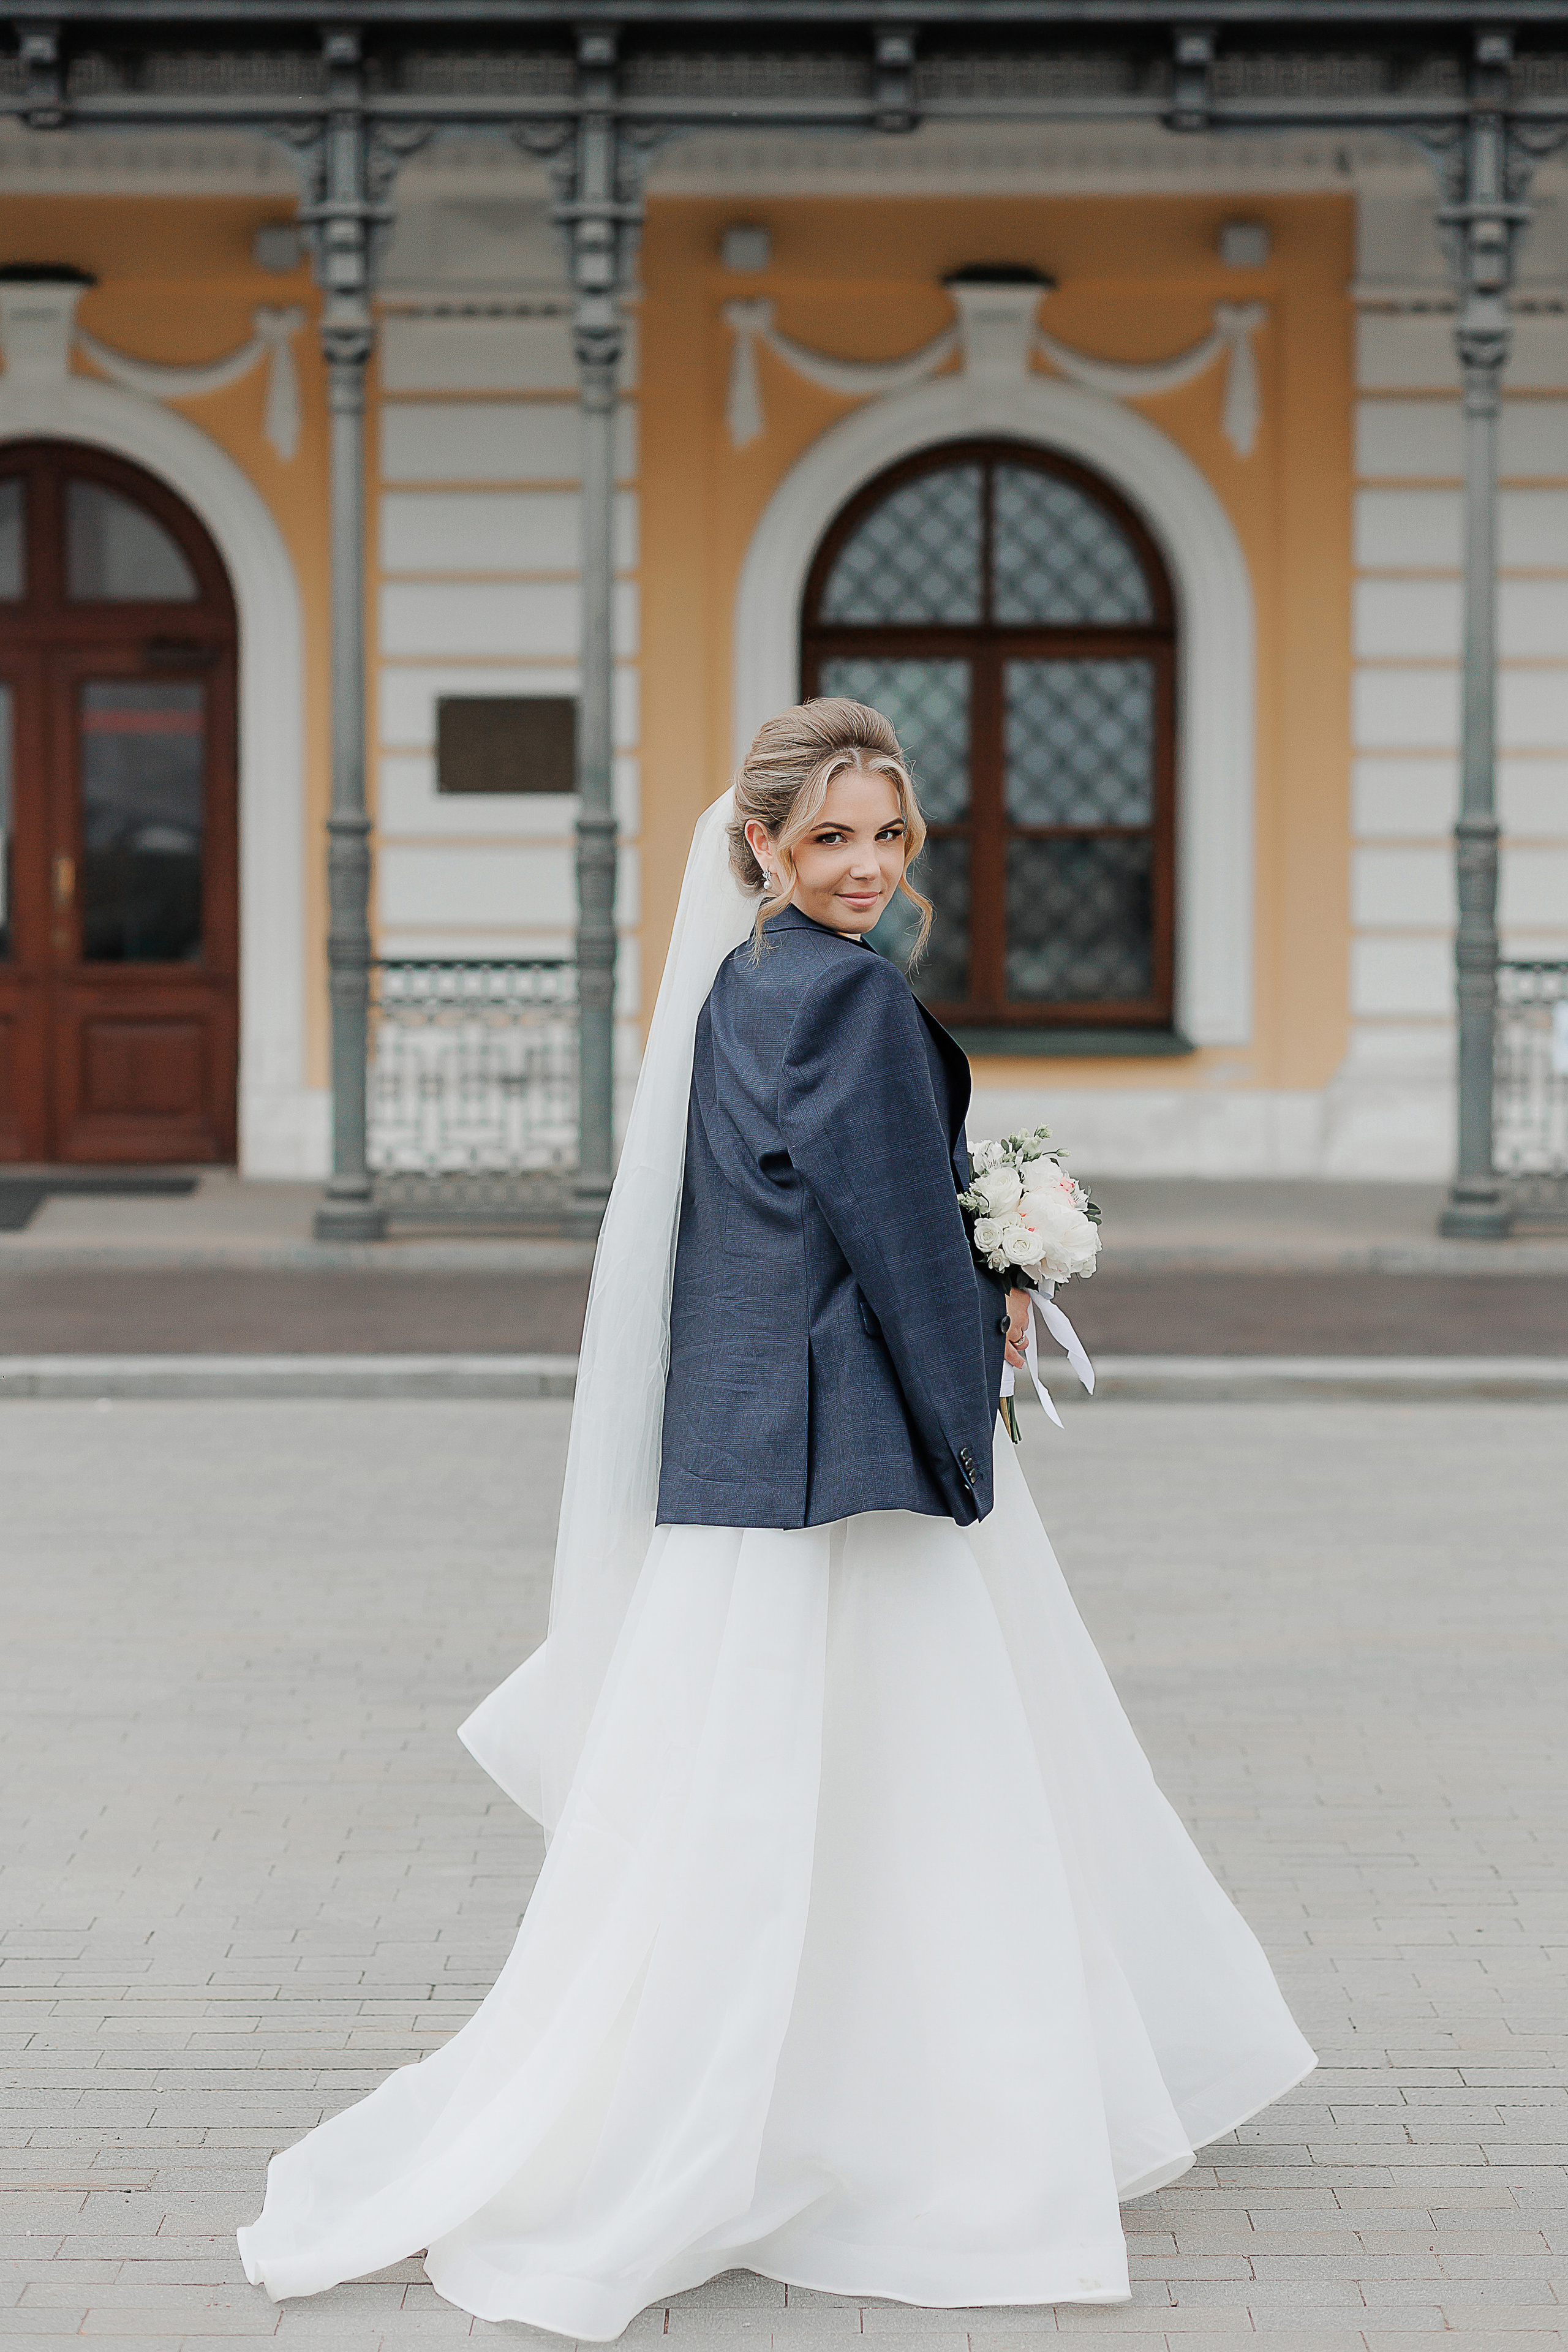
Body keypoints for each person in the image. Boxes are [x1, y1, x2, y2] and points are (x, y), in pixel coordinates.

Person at [238, 700, 1314, 2341]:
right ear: (760, 846)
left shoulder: (743, 988)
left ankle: (753, 2094)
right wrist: (978, 1375)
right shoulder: (858, 1004)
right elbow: (892, 1233)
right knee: (924, 1790)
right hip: (852, 1459)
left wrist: (994, 1260)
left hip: (744, 1454)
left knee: (744, 1807)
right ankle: (916, 2132)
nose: (867, 866)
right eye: (829, 839)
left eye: (889, 835)